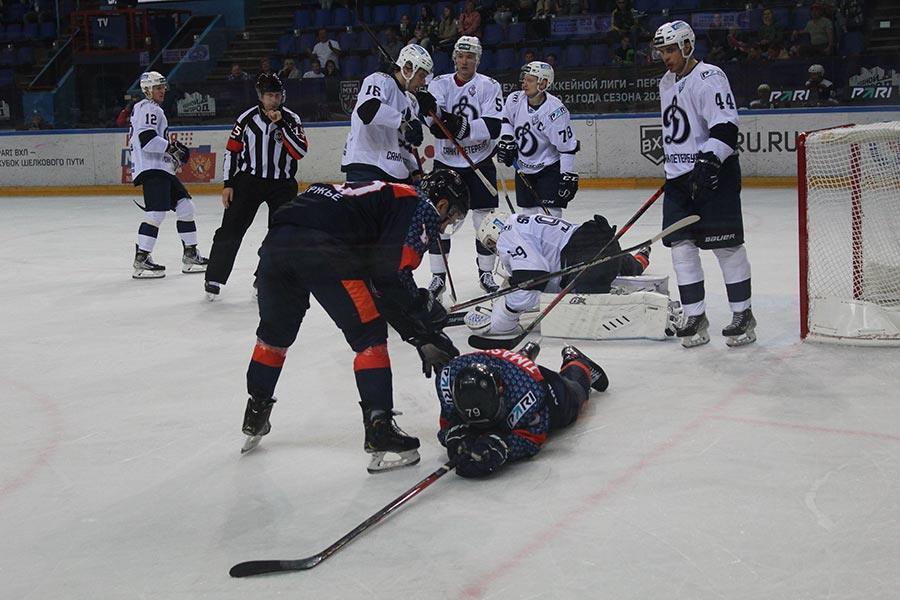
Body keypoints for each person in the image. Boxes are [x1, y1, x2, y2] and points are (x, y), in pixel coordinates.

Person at [240, 170, 470, 472]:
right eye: (451, 218)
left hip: (277, 243)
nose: (447, 224)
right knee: (370, 337)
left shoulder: (383, 196)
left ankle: (255, 412)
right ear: (442, 205)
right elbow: (392, 277)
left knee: (274, 336)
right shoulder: (420, 206)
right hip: (322, 246)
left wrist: (415, 329)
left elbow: (380, 278)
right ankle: (380, 429)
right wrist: (423, 331)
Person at [653, 21, 756, 348]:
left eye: (670, 49)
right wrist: (675, 171)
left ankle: (743, 314)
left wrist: (708, 162)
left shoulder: (709, 77)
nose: (666, 57)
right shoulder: (666, 82)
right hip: (679, 180)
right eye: (662, 51)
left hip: (715, 173)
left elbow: (726, 128)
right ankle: (695, 315)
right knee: (681, 247)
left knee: (725, 245)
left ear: (687, 46)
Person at [435, 342, 608, 478]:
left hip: (531, 379)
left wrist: (505, 448)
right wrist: (454, 435)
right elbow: (447, 423)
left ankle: (575, 360)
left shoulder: (529, 390)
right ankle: (522, 354)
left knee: (573, 400)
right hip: (507, 368)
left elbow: (533, 438)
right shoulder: (448, 379)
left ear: (502, 392)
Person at [204, 73, 308, 300]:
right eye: (270, 95)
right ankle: (214, 276)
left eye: (278, 95)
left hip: (282, 184)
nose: (274, 100)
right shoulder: (246, 119)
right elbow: (232, 151)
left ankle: (265, 276)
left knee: (282, 233)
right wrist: (228, 184)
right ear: (261, 97)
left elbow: (299, 152)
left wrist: (280, 124)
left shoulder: (292, 119)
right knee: (231, 228)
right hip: (248, 181)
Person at [467, 211, 650, 337]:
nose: (495, 249)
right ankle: (639, 261)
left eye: (491, 244)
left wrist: (502, 318)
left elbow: (532, 282)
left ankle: (647, 307)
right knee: (616, 260)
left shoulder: (507, 236)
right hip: (601, 240)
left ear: (494, 234)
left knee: (587, 310)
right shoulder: (523, 222)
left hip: (589, 262)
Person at [420, 36, 504, 299]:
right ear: (454, 57)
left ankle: (486, 273)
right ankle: (438, 277)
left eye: (470, 56)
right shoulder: (439, 84)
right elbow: (435, 126)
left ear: (478, 59)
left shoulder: (490, 86)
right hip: (446, 163)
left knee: (485, 221)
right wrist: (437, 116)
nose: (465, 61)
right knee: (439, 220)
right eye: (461, 56)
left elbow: (493, 127)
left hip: (478, 162)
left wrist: (458, 126)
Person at [129, 71, 208, 279]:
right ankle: (142, 258)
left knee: (185, 207)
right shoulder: (149, 109)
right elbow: (147, 140)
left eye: (163, 86)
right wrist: (173, 149)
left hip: (159, 167)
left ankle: (190, 254)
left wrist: (170, 153)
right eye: (157, 87)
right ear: (147, 90)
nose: (162, 90)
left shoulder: (146, 108)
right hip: (152, 166)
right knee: (155, 213)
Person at [497, 61, 579, 218]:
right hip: (523, 167)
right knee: (528, 215)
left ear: (543, 83)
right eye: (524, 79)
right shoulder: (515, 100)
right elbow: (506, 120)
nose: (524, 84)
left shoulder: (555, 112)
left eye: (530, 80)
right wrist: (508, 141)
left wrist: (566, 175)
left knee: (550, 216)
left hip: (548, 169)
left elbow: (567, 148)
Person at [341, 44, 433, 183]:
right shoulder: (379, 80)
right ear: (408, 69)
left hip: (393, 170)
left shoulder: (410, 102)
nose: (423, 81)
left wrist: (415, 171)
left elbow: (403, 144)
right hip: (365, 166)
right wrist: (404, 121)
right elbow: (367, 111)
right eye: (421, 75)